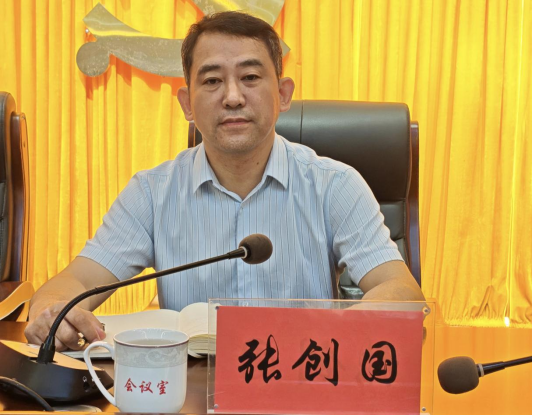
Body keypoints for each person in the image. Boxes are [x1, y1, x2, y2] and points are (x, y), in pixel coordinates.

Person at [25, 11, 425, 351]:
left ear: (283, 94)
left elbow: (401, 291)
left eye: (250, 77)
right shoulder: (152, 193)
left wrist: (330, 335)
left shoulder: (335, 185)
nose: (232, 97)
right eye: (212, 81)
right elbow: (75, 281)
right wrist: (52, 312)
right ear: (187, 103)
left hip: (300, 385)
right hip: (190, 393)